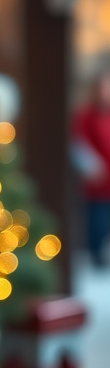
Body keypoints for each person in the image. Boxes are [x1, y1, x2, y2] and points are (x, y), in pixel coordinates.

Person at [72, 69, 110, 266]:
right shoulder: (85, 116)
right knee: (97, 225)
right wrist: (91, 167)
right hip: (97, 185)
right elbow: (78, 145)